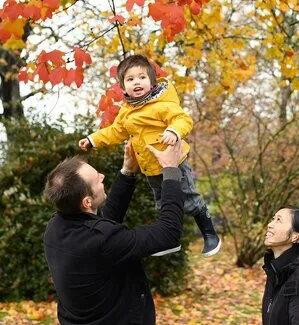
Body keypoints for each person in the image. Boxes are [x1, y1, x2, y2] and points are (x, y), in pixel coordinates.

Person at [78, 54, 221, 257]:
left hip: (174, 163)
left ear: (152, 82)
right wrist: (93, 139)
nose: (137, 82)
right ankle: (171, 239)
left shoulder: (162, 104)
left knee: (189, 200)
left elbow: (183, 119)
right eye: (130, 79)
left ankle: (210, 234)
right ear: (123, 87)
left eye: (142, 77)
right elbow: (115, 131)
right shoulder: (126, 112)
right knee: (163, 203)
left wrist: (173, 131)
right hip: (150, 168)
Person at [43, 140, 185, 325]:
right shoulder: (103, 240)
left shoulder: (56, 226)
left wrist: (127, 171)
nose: (102, 176)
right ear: (86, 202)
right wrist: (171, 170)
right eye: (97, 179)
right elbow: (168, 233)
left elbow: (102, 224)